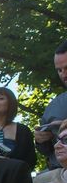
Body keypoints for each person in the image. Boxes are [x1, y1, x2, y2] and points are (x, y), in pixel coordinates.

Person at [0, 87, 36, 170]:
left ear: (10, 103)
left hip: (13, 179)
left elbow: (31, 162)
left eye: (0, 98)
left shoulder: (23, 131)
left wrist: (10, 163)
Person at [35, 40, 67, 170]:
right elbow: (47, 151)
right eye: (59, 70)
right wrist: (40, 140)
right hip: (58, 176)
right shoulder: (54, 106)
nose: (64, 74)